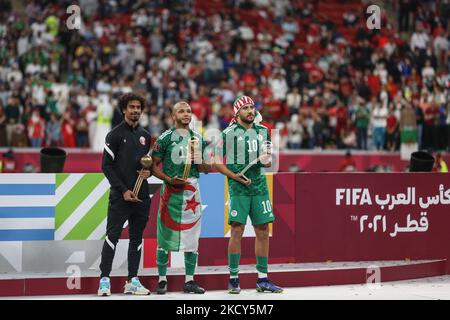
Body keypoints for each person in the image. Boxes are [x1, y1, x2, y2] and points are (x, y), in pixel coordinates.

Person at [214, 95, 283, 294]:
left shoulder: (263, 131)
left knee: (263, 231)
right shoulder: (227, 133)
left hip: (260, 187)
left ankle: (263, 279)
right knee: (237, 231)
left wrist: (266, 158)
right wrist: (234, 176)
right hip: (238, 188)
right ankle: (233, 278)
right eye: (245, 108)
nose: (250, 111)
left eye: (252, 107)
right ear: (237, 112)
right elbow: (216, 162)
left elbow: (269, 161)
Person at [151, 101, 211, 295]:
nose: (186, 114)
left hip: (192, 191)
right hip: (171, 191)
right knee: (164, 235)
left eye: (188, 111)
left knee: (192, 237)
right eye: (181, 111)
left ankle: (190, 281)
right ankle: (162, 280)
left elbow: (206, 169)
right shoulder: (165, 138)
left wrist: (198, 157)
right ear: (173, 116)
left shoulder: (198, 138)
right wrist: (168, 179)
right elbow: (152, 165)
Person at [97, 93, 152, 296]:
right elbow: (106, 166)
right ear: (123, 109)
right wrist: (123, 190)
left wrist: (149, 172)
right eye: (132, 107)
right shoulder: (114, 135)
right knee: (112, 237)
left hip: (141, 197)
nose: (136, 110)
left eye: (138, 107)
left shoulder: (146, 136)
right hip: (121, 196)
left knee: (136, 239)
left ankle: (132, 280)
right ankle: (104, 280)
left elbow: (147, 166)